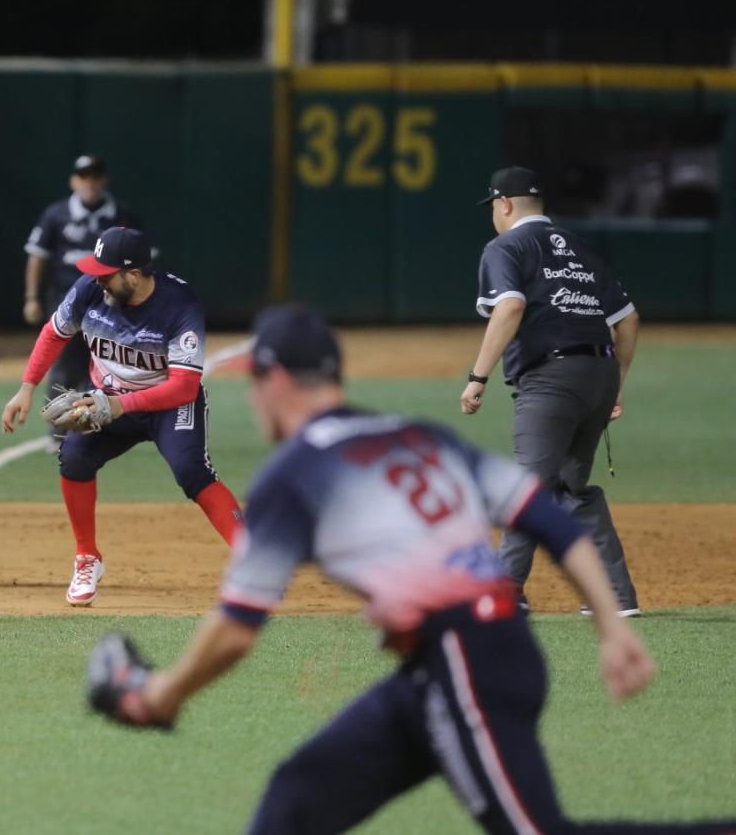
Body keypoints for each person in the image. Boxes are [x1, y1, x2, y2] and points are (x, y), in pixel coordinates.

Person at [86, 304, 736, 835]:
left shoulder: (297, 471)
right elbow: (545, 514)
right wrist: (612, 629)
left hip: (468, 661)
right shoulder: (418, 434)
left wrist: (160, 695)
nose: (255, 400)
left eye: (256, 383)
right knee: (297, 799)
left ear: (277, 380)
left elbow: (236, 628)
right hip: (446, 667)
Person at [1, 226, 244, 606]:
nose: (97, 281)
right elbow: (54, 334)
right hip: (109, 397)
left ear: (133, 275)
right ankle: (87, 557)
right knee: (74, 457)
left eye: (105, 274)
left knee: (192, 472)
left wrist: (119, 406)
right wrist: (27, 386)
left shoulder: (180, 305)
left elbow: (182, 386)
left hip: (168, 403)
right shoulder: (88, 290)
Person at [461, 167, 641, 617]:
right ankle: (615, 597)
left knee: (527, 488)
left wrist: (478, 377)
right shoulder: (581, 247)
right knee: (572, 487)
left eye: (494, 208)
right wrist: (616, 380)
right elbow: (628, 319)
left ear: (504, 205)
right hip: (599, 372)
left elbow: (510, 306)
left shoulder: (506, 247)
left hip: (550, 381)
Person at [23, 156, 145, 435]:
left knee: (107, 364)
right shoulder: (57, 214)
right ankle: (57, 431)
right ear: (74, 181)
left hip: (111, 306)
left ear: (104, 180)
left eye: (95, 176)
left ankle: (99, 427)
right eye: (83, 176)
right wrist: (32, 298)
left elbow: (140, 264)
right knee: (64, 365)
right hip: (66, 300)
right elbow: (37, 256)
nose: (89, 182)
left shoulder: (121, 215)